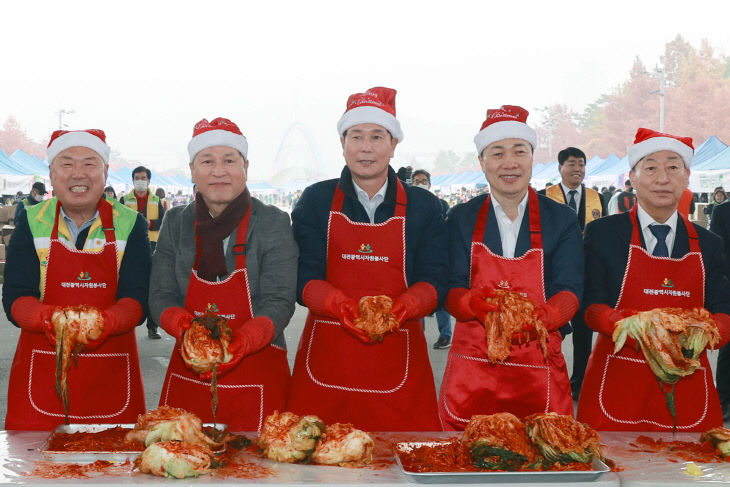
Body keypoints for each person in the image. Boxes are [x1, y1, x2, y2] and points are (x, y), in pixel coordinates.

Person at [288, 87, 447, 431]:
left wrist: (402, 308)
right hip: (327, 363)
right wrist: (338, 304)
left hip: (399, 363)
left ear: (393, 145)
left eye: (377, 136)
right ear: (343, 143)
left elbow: (435, 281)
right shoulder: (316, 200)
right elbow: (304, 277)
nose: (366, 147)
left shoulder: (424, 206)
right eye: (356, 136)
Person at [577, 128, 730, 431]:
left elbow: (722, 307)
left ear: (686, 177)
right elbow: (590, 302)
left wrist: (709, 333)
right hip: (617, 383)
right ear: (632, 177)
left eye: (673, 167)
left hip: (687, 386)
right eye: (650, 168)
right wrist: (622, 323)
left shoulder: (708, 243)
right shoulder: (604, 234)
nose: (662, 179)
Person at [440, 105, 582, 430]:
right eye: (497, 152)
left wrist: (546, 317)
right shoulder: (461, 218)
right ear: (482, 161)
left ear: (532, 158)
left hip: (538, 372)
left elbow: (570, 289)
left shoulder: (560, 220)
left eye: (519, 151)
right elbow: (450, 287)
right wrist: (470, 304)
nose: (509, 163)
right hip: (472, 374)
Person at [149, 117, 297, 431]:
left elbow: (280, 302)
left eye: (229, 160)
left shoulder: (272, 222)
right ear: (192, 170)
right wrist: (191, 331)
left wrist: (242, 341)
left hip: (258, 379)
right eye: (207, 161)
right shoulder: (175, 222)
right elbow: (160, 296)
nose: (219, 171)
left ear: (245, 166)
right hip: (188, 378)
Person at [2, 129, 150, 430]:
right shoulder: (31, 220)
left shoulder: (130, 223)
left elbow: (137, 300)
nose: (78, 174)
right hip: (41, 377)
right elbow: (15, 297)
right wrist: (52, 319)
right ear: (52, 173)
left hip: (111, 376)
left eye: (89, 163)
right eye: (67, 164)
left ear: (105, 172)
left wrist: (103, 323)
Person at [542, 146, 606, 399]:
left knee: (583, 331)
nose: (577, 169)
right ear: (560, 168)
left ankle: (579, 380)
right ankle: (548, 377)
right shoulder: (544, 196)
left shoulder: (596, 198)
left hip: (586, 274)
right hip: (553, 274)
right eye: (571, 164)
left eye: (581, 164)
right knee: (551, 327)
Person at [120, 166, 165, 339]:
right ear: (132, 180)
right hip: (129, 246)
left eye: (143, 177)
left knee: (152, 285)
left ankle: (152, 326)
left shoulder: (156, 200)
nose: (140, 180)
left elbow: (162, 220)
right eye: (137, 177)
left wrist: (148, 224)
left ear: (149, 180)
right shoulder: (124, 199)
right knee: (129, 283)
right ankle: (126, 321)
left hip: (152, 244)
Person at [412, 169, 453, 349]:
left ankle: (445, 335)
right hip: (414, 261)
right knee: (415, 297)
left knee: (440, 298)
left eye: (424, 180)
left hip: (438, 259)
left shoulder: (441, 204)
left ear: (429, 183)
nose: (421, 183)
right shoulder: (406, 205)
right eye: (417, 180)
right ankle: (416, 334)